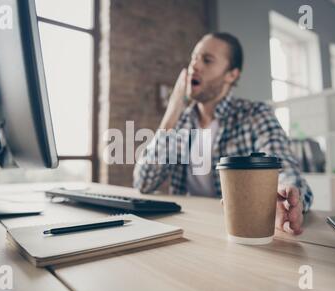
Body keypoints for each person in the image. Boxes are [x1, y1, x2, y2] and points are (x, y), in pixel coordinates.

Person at [133, 32, 313, 235]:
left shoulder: (255, 115)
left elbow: (285, 170)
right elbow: (144, 183)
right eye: (194, 58)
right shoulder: (181, 122)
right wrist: (172, 112)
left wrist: (288, 195)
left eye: (207, 60)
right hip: (188, 230)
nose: (195, 66)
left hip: (238, 231)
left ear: (232, 74)